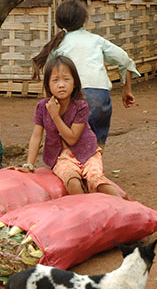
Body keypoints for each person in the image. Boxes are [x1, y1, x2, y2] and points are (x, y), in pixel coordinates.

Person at [32, 0, 140, 147]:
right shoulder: (96, 40)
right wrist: (127, 90)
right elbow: (125, 60)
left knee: (69, 141)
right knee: (96, 141)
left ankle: (70, 167)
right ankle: (95, 167)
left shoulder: (58, 45)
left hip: (73, 96)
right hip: (100, 97)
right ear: (84, 21)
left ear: (59, 22)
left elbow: (52, 77)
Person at [19, 55, 122, 197]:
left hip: (88, 152)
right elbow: (36, 136)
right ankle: (85, 213)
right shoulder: (42, 107)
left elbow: (72, 139)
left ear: (74, 83)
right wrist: (29, 165)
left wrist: (55, 116)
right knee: (72, 182)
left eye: (66, 79)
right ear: (48, 85)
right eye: (55, 80)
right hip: (60, 157)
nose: (61, 84)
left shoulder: (81, 106)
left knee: (97, 180)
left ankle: (127, 209)